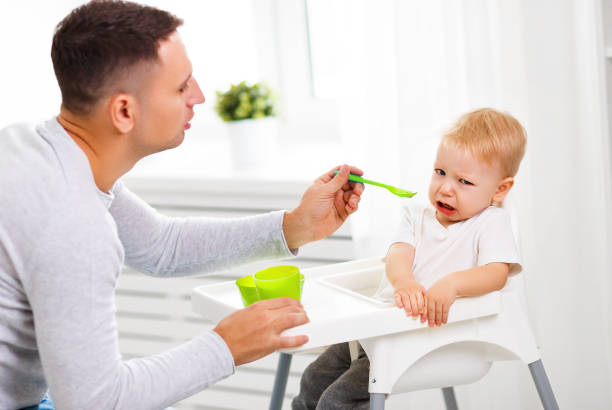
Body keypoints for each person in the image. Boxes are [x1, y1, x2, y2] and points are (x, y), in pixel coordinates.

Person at [0, 1, 365, 409]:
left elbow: (160, 245)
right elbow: (97, 401)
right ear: (124, 111)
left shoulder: (33, 148)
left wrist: (294, 226)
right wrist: (225, 346)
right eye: (181, 87)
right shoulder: (71, 221)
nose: (200, 96)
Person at [292, 107, 526, 410]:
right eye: (440, 172)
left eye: (464, 182)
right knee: (312, 379)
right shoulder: (417, 213)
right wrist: (403, 281)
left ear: (500, 189)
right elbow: (399, 252)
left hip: (420, 339)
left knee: (338, 401)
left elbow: (497, 274)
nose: (446, 188)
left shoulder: (491, 222)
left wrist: (452, 285)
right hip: (374, 327)